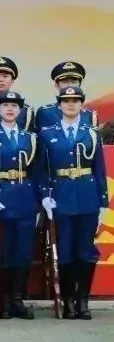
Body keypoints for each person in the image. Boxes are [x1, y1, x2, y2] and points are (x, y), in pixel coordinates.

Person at [37, 86, 108, 319]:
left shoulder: (91, 133)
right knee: (65, 250)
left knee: (86, 251)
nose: (71, 104)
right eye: (66, 101)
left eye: (75, 101)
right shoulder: (47, 134)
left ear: (82, 105)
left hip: (87, 196)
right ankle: (68, 300)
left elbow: (99, 169)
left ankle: (82, 300)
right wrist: (45, 195)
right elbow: (42, 169)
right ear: (59, 105)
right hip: (61, 196)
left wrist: (103, 203)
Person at [0, 91, 37, 320]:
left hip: (25, 198)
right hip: (0, 197)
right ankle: (2, 299)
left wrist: (40, 199)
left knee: (23, 252)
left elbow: (37, 171)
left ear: (20, 111)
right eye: (5, 106)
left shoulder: (30, 137)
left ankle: (17, 299)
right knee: (2, 251)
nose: (10, 109)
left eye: (14, 106)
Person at [34, 62, 98, 132]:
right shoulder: (45, 112)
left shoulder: (90, 115)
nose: (69, 85)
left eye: (73, 82)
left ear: (80, 84)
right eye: (64, 82)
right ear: (56, 85)